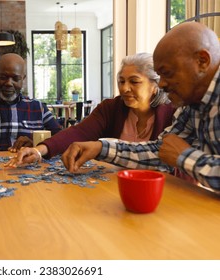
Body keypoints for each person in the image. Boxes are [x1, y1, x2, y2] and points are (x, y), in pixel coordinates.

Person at [60, 22, 220, 190]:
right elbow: (161, 152)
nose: (162, 84)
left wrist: (184, 157)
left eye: (167, 73)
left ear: (202, 61)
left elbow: (176, 154)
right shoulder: (192, 104)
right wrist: (100, 148)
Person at [7, 52, 174, 166]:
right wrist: (38, 150)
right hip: (114, 186)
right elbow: (78, 132)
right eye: (121, 81)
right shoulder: (111, 108)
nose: (125, 88)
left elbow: (173, 164)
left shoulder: (173, 113)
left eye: (134, 81)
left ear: (155, 85)